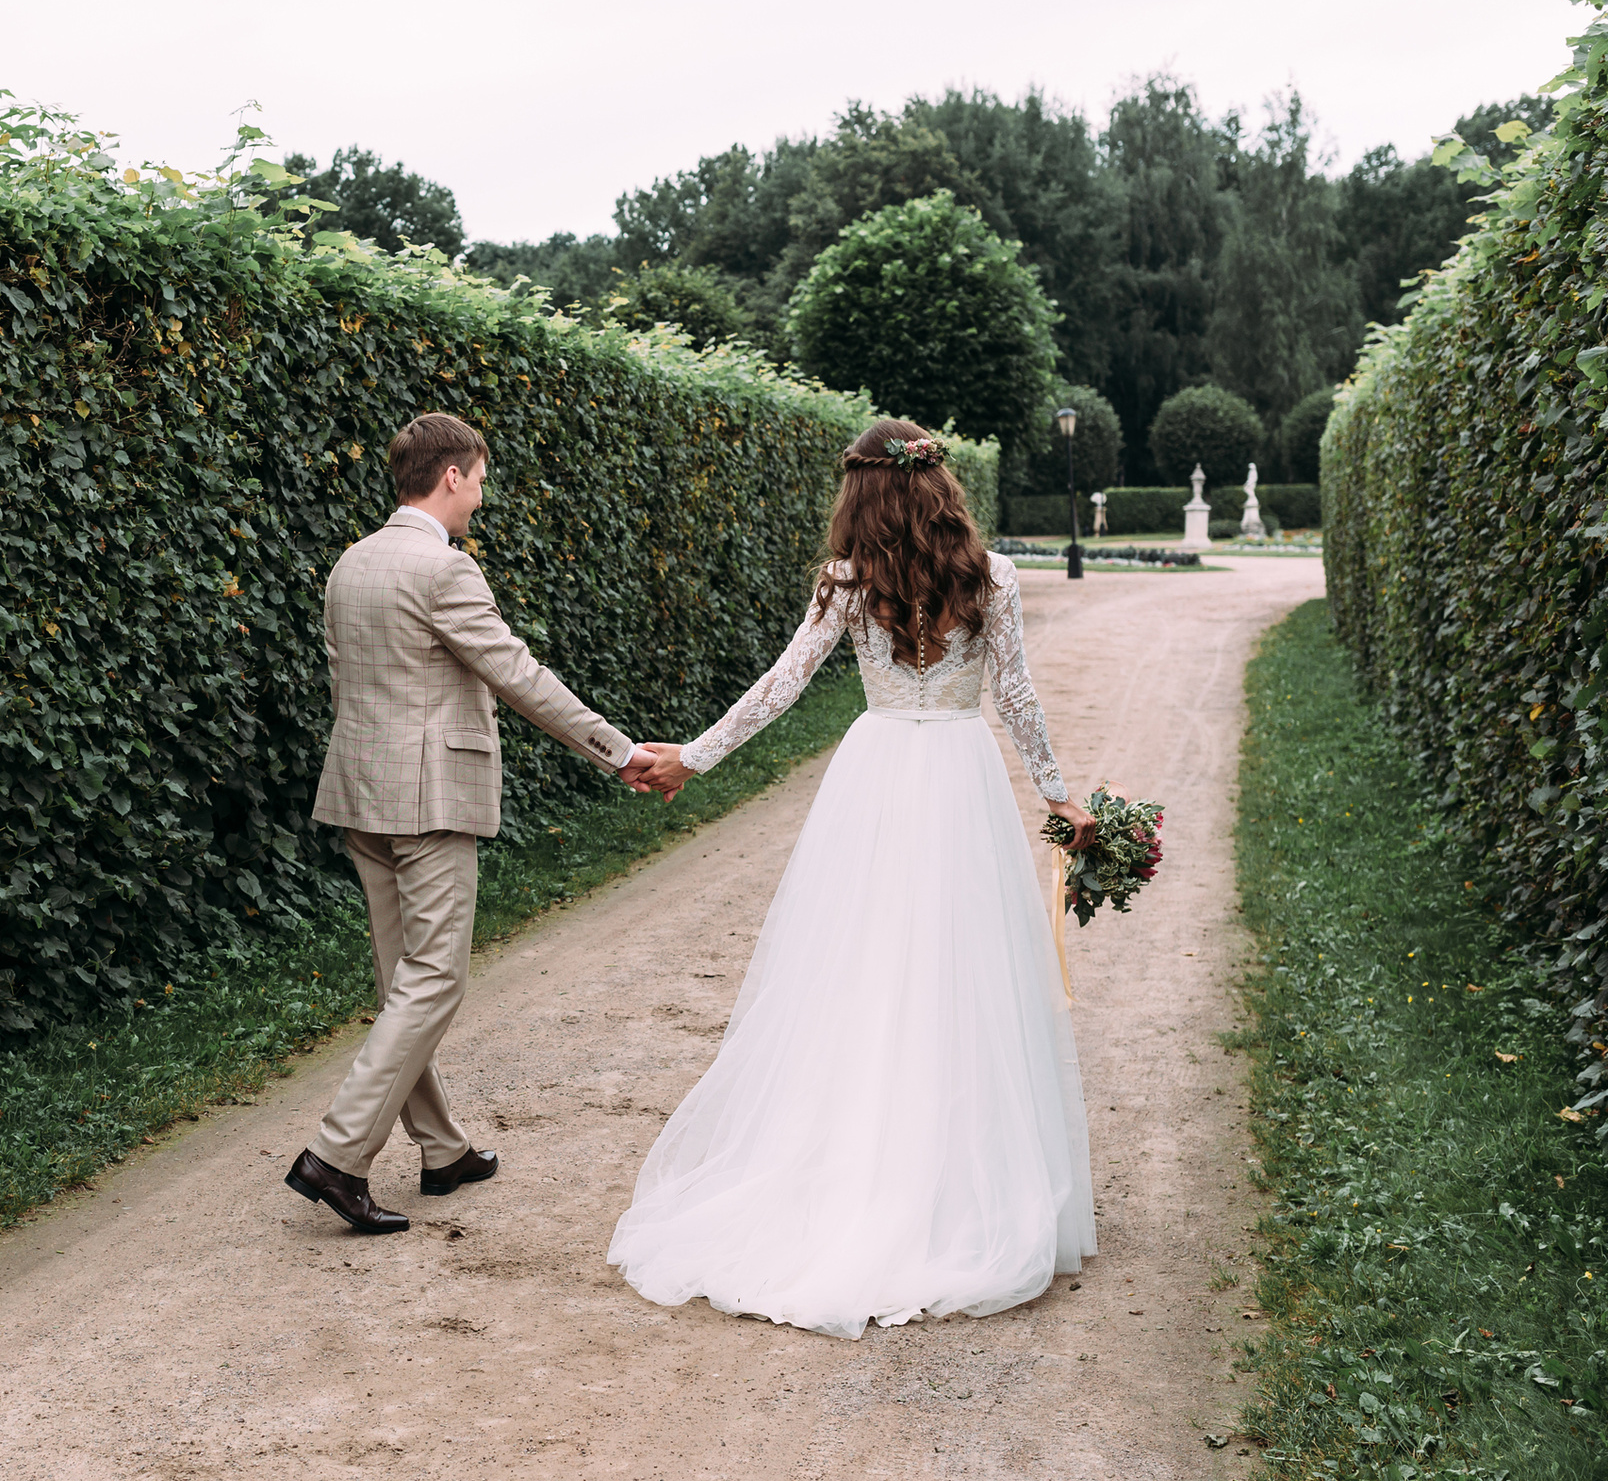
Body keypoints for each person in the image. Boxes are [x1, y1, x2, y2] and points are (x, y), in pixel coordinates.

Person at [610, 418, 1098, 1337]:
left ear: (860, 492)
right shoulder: (990, 578)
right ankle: (954, 1178)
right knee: (963, 978)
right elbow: (1017, 696)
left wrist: (696, 757)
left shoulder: (847, 582)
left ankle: (860, 1161)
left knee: (863, 968)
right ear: (942, 484)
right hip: (960, 776)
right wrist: (1062, 798)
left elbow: (782, 683)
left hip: (875, 776)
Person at [288, 412, 656, 1234]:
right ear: (451, 475)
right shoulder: (444, 569)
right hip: (429, 799)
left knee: (401, 982)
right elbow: (517, 674)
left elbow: (351, 679)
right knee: (434, 980)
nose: (481, 498)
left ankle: (443, 1149)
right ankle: (337, 1157)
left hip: (360, 792)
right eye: (481, 480)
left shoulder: (352, 562)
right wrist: (617, 749)